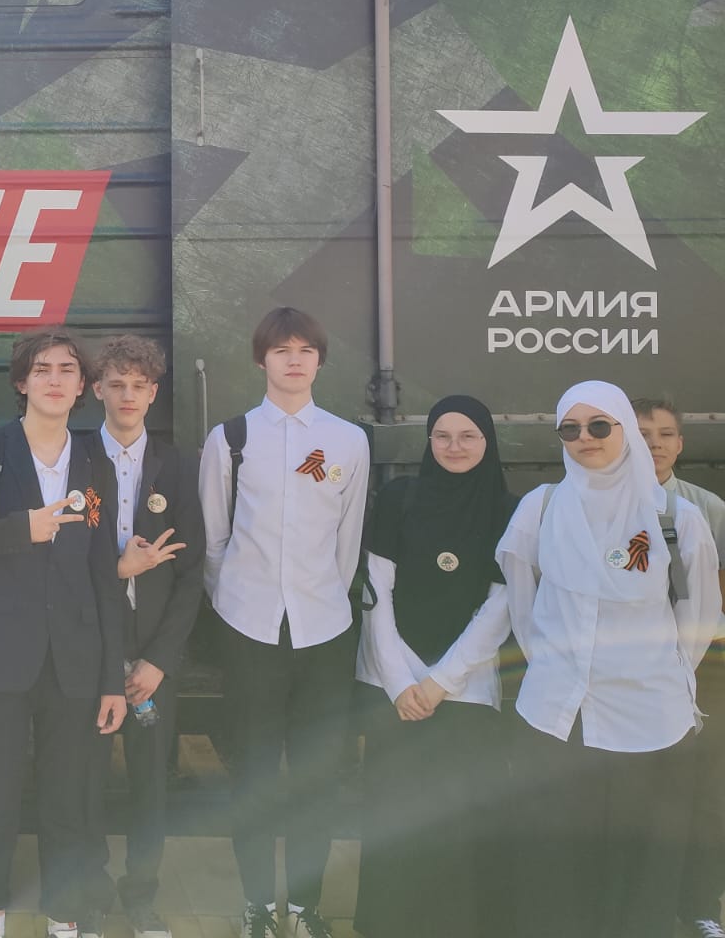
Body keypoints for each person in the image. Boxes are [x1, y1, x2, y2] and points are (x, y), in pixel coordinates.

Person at [0, 328, 127, 938]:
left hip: (75, 664)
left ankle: (65, 920)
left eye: (66, 369)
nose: (55, 379)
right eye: (42, 369)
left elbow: (103, 574)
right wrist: (20, 529)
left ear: (83, 386)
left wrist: (112, 678)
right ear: (21, 382)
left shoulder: (93, 461)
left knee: (69, 803)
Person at [503, 382, 720, 938]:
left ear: (624, 430)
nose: (586, 437)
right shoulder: (541, 507)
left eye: (599, 425)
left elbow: (698, 616)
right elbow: (523, 606)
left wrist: (656, 672)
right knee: (558, 861)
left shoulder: (675, 517)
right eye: (570, 428)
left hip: (649, 717)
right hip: (558, 714)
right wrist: (559, 666)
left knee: (638, 863)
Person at [197, 307, 369, 938]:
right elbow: (214, 541)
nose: (294, 361)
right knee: (254, 776)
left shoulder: (348, 440)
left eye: (305, 350)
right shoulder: (230, 439)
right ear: (261, 360)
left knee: (317, 776)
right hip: (248, 630)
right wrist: (240, 601)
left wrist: (318, 598)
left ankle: (302, 908)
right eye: (281, 350)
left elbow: (347, 542)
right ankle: (255, 906)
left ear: (320, 360)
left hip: (324, 632)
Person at [353, 395, 517, 938]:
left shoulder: (508, 510)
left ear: (487, 442)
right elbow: (376, 593)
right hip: (394, 689)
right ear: (429, 442)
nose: (454, 446)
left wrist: (440, 682)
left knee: (454, 818)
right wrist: (403, 683)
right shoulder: (399, 498)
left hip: (464, 690)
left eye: (468, 436)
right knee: (393, 814)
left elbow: (501, 606)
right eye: (442, 436)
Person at [80, 336, 204, 938]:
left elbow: (191, 572)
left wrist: (159, 659)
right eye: (117, 384)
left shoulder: (176, 464)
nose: (127, 395)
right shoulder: (76, 460)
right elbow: (64, 563)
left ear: (153, 393)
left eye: (139, 385)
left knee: (150, 782)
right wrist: (117, 566)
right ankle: (90, 893)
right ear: (97, 389)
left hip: (152, 652)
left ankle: (141, 897)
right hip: (88, 647)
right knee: (84, 778)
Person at [633, 397, 725, 938]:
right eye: (643, 433)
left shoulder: (706, 508)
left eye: (665, 434)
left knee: (703, 794)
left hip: (701, 669)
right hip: (629, 671)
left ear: (681, 443)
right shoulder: (604, 503)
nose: (655, 444)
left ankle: (698, 906)